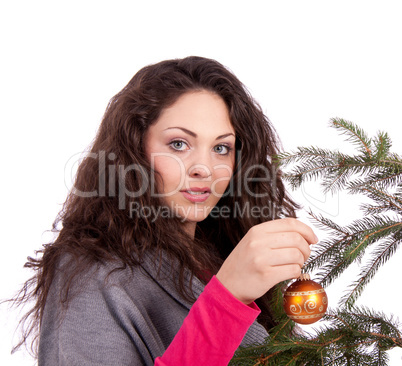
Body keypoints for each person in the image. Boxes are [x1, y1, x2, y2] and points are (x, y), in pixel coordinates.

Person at [14, 56, 317, 365]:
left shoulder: (224, 253)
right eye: (178, 144)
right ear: (134, 149)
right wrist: (226, 300)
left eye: (221, 148)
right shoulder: (92, 275)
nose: (203, 168)